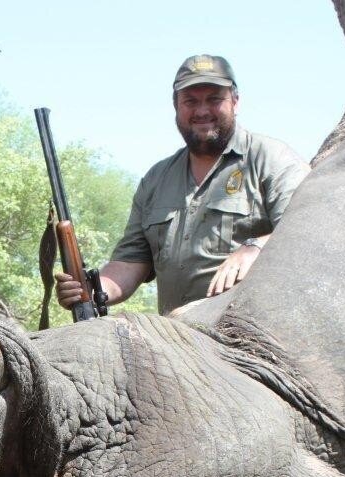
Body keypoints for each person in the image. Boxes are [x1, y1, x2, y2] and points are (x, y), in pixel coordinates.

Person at [57, 55, 310, 315]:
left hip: (252, 335)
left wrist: (256, 247)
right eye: (190, 101)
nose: (202, 111)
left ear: (235, 101)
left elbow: (311, 229)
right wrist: (89, 289)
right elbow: (131, 262)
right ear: (176, 105)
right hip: (177, 344)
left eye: (214, 99)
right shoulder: (156, 179)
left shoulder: (271, 159)